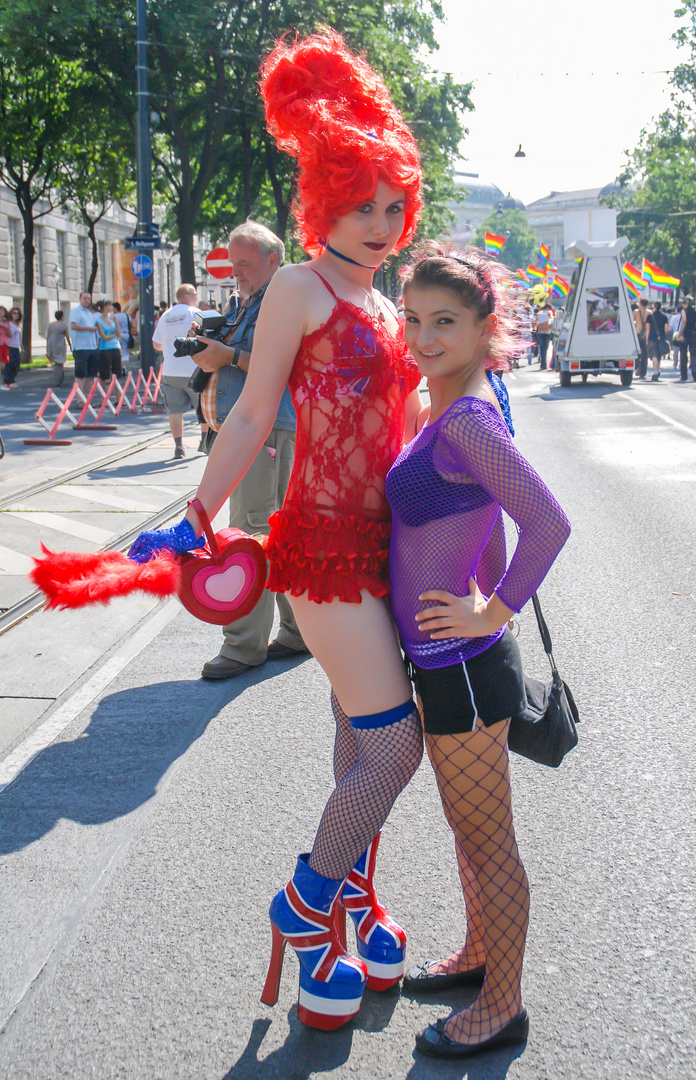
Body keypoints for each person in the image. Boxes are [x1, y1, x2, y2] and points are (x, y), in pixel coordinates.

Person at [129, 29, 425, 1032]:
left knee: (356, 744)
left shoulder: (384, 301)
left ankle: (357, 905)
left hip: (388, 548)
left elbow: (406, 430)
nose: (382, 223)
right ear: (322, 198)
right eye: (362, 203)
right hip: (325, 552)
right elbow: (253, 412)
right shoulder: (299, 287)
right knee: (394, 752)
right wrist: (199, 510)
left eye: (394, 206)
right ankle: (305, 910)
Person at [385, 245, 570, 1059]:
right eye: (414, 319)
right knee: (470, 832)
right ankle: (476, 957)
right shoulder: (449, 402)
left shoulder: (466, 417)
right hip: (445, 661)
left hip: (460, 665)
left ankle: (503, 1006)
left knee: (488, 838)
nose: (423, 336)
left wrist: (491, 607)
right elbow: (479, 521)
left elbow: (550, 521)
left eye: (445, 323)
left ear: (483, 327)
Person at [195, 220, 308, 678]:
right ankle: (298, 632)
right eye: (232, 262)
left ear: (272, 261)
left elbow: (288, 365)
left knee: (249, 533)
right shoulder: (248, 302)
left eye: (244, 263)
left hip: (266, 432)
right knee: (273, 529)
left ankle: (243, 647)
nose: (235, 271)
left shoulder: (280, 300)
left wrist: (227, 356)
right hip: (250, 431)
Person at [151, 283, 209, 459]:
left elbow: (156, 344)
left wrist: (169, 346)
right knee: (202, 408)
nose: (196, 297)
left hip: (170, 370)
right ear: (187, 296)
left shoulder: (165, 315)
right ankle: (204, 441)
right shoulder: (194, 313)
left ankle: (178, 446)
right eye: (195, 294)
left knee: (174, 410)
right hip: (193, 369)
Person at [68, 292, 99, 397]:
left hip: (92, 346)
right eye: (85, 298)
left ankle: (86, 398)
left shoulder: (89, 313)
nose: (87, 300)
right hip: (80, 347)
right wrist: (89, 328)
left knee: (90, 375)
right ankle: (80, 400)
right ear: (80, 299)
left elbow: (94, 329)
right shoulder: (76, 311)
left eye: (89, 299)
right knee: (80, 375)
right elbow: (73, 325)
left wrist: (96, 344)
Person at [94, 299, 122, 383]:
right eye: (109, 305)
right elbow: (104, 337)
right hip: (105, 348)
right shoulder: (99, 320)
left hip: (116, 347)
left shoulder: (112, 319)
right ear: (104, 307)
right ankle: (104, 395)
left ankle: (118, 396)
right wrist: (113, 335)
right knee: (104, 375)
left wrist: (116, 323)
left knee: (117, 374)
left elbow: (119, 334)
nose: (111, 307)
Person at [46, 310, 71, 387]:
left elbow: (48, 335)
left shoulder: (50, 325)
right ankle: (57, 379)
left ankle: (60, 377)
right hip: (60, 343)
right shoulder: (63, 325)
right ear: (62, 316)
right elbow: (67, 336)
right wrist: (70, 345)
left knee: (57, 361)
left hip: (52, 342)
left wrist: (48, 345)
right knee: (60, 361)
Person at [645, 300, 668, 381]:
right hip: (661, 337)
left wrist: (647, 339)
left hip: (652, 337)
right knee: (659, 355)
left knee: (653, 355)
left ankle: (655, 372)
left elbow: (647, 328)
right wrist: (663, 336)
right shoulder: (664, 317)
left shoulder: (650, 316)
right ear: (660, 307)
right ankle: (657, 371)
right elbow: (666, 329)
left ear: (654, 307)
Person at [678, 296, 696, 382]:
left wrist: (680, 333)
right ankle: (695, 374)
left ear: (686, 304)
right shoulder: (695, 312)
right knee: (694, 355)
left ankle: (684, 375)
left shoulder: (684, 311)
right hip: (693, 333)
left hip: (685, 334)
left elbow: (684, 321)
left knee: (683, 355)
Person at [112, 301, 132, 369]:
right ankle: (124, 367)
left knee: (117, 352)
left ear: (115, 308)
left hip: (116, 336)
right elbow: (131, 325)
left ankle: (117, 366)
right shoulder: (126, 315)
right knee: (125, 352)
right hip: (126, 335)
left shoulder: (113, 317)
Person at [533, 301, 552, 369]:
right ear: (547, 308)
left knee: (542, 348)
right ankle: (544, 363)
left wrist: (536, 327)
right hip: (547, 332)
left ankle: (543, 363)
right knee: (545, 349)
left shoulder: (539, 313)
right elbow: (551, 321)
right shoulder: (549, 313)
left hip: (540, 332)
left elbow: (535, 321)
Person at [633, 297, 648, 378]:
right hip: (645, 334)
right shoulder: (649, 312)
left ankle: (637, 366)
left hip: (638, 333)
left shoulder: (636, 311)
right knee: (645, 353)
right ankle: (643, 371)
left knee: (637, 352)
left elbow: (632, 320)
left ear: (640, 303)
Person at [0, 306, 9, 388]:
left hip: (5, 345)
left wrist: (7, 328)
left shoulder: (7, 323)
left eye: (3, 311)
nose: (1, 313)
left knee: (3, 366)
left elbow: (10, 335)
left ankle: (2, 383)